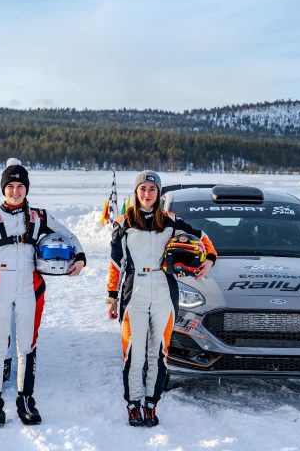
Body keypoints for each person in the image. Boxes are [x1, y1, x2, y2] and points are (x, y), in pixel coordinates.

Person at [0, 158, 86, 427]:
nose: (15, 191)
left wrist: (80, 258)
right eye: (10, 186)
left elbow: (69, 235)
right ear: (3, 188)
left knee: (27, 345)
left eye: (20, 186)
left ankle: (25, 401)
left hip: (30, 288)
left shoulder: (39, 216)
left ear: (26, 188)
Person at [106, 171, 216, 426]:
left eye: (152, 189)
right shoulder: (123, 222)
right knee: (133, 352)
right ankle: (134, 404)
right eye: (142, 189)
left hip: (164, 289)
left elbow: (204, 239)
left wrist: (209, 260)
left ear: (158, 193)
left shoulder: (171, 221)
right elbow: (115, 263)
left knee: (158, 352)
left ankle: (151, 404)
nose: (147, 194)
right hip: (134, 290)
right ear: (136, 193)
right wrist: (111, 298)